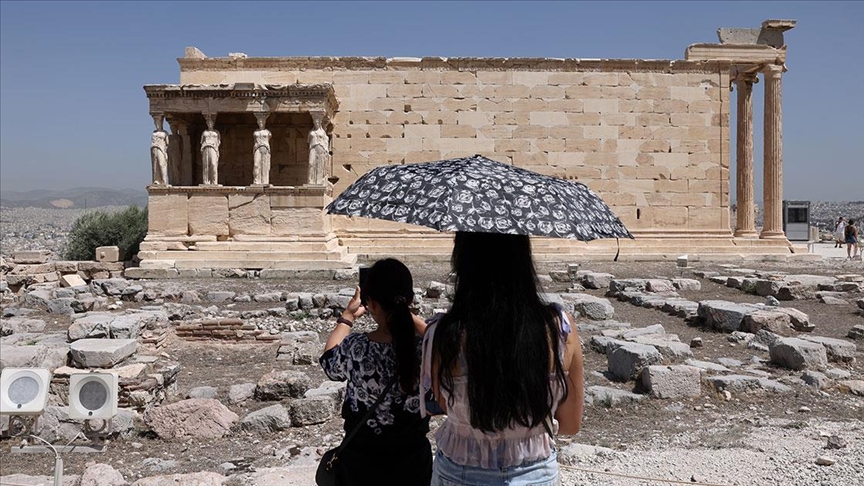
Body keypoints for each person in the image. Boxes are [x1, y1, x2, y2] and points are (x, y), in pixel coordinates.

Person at [421, 231, 585, 485]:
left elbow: (443, 404)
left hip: (459, 473)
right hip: (535, 474)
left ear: (463, 260)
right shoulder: (560, 329)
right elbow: (571, 424)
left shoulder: (443, 334)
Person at [319, 258, 432, 485]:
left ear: (371, 303)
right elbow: (443, 342)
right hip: (413, 463)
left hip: (361, 463)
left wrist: (348, 316)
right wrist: (403, 312)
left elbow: (329, 361)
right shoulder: (428, 348)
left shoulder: (357, 347)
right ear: (410, 299)